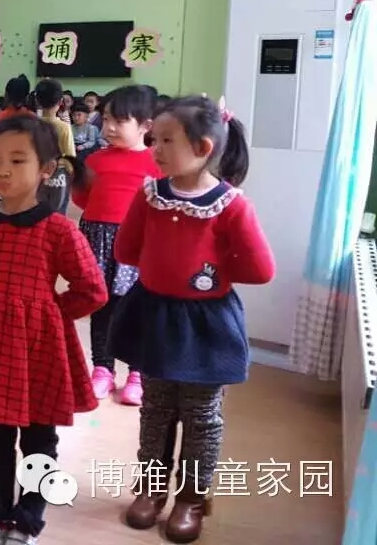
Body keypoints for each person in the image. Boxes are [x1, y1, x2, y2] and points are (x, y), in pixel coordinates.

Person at [0, 116, 107, 545]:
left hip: (37, 351)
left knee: (38, 439)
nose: (3, 171)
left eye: (17, 160)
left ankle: (27, 521)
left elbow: (92, 288)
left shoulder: (58, 229)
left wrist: (50, 314)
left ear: (46, 169)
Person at [111, 96, 273, 543]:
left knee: (201, 416)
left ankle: (191, 498)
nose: (155, 149)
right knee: (156, 409)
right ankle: (150, 489)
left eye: (167, 140)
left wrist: (211, 274)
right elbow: (125, 250)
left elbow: (261, 269)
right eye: (154, 139)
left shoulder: (231, 205)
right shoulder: (150, 195)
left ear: (203, 148)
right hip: (156, 317)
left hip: (206, 327)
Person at [70, 85, 162, 407]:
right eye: (106, 119)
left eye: (119, 121)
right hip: (97, 240)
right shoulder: (95, 160)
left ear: (146, 125)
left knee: (135, 308)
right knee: (102, 305)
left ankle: (137, 373)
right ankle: (102, 368)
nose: (108, 127)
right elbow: (83, 198)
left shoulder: (156, 163)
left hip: (135, 245)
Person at [33, 79, 77, 215]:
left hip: (36, 173)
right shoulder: (63, 127)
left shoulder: (32, 124)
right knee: (57, 213)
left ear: (37, 101)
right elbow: (70, 157)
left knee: (36, 209)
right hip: (59, 176)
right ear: (60, 102)